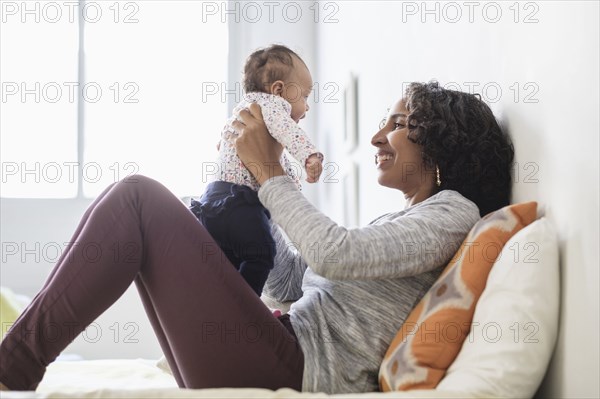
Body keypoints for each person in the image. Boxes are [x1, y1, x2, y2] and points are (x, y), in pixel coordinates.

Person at [0, 81, 514, 393]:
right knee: (155, 206)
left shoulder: (453, 214)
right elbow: (295, 279)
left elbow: (334, 254)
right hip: (273, 345)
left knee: (137, 198)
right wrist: (237, 206)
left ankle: (12, 367)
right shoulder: (410, 218)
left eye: (397, 123)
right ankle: (14, 362)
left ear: (441, 142)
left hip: (292, 364)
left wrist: (272, 173)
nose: (378, 137)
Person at [189, 44, 324, 296]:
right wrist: (309, 156)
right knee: (262, 254)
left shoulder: (243, 111)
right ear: (279, 90)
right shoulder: (274, 106)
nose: (307, 108)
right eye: (305, 97)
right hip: (240, 203)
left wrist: (291, 183)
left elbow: (272, 162)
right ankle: (244, 309)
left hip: (212, 201)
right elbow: (290, 133)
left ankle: (218, 301)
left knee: (227, 262)